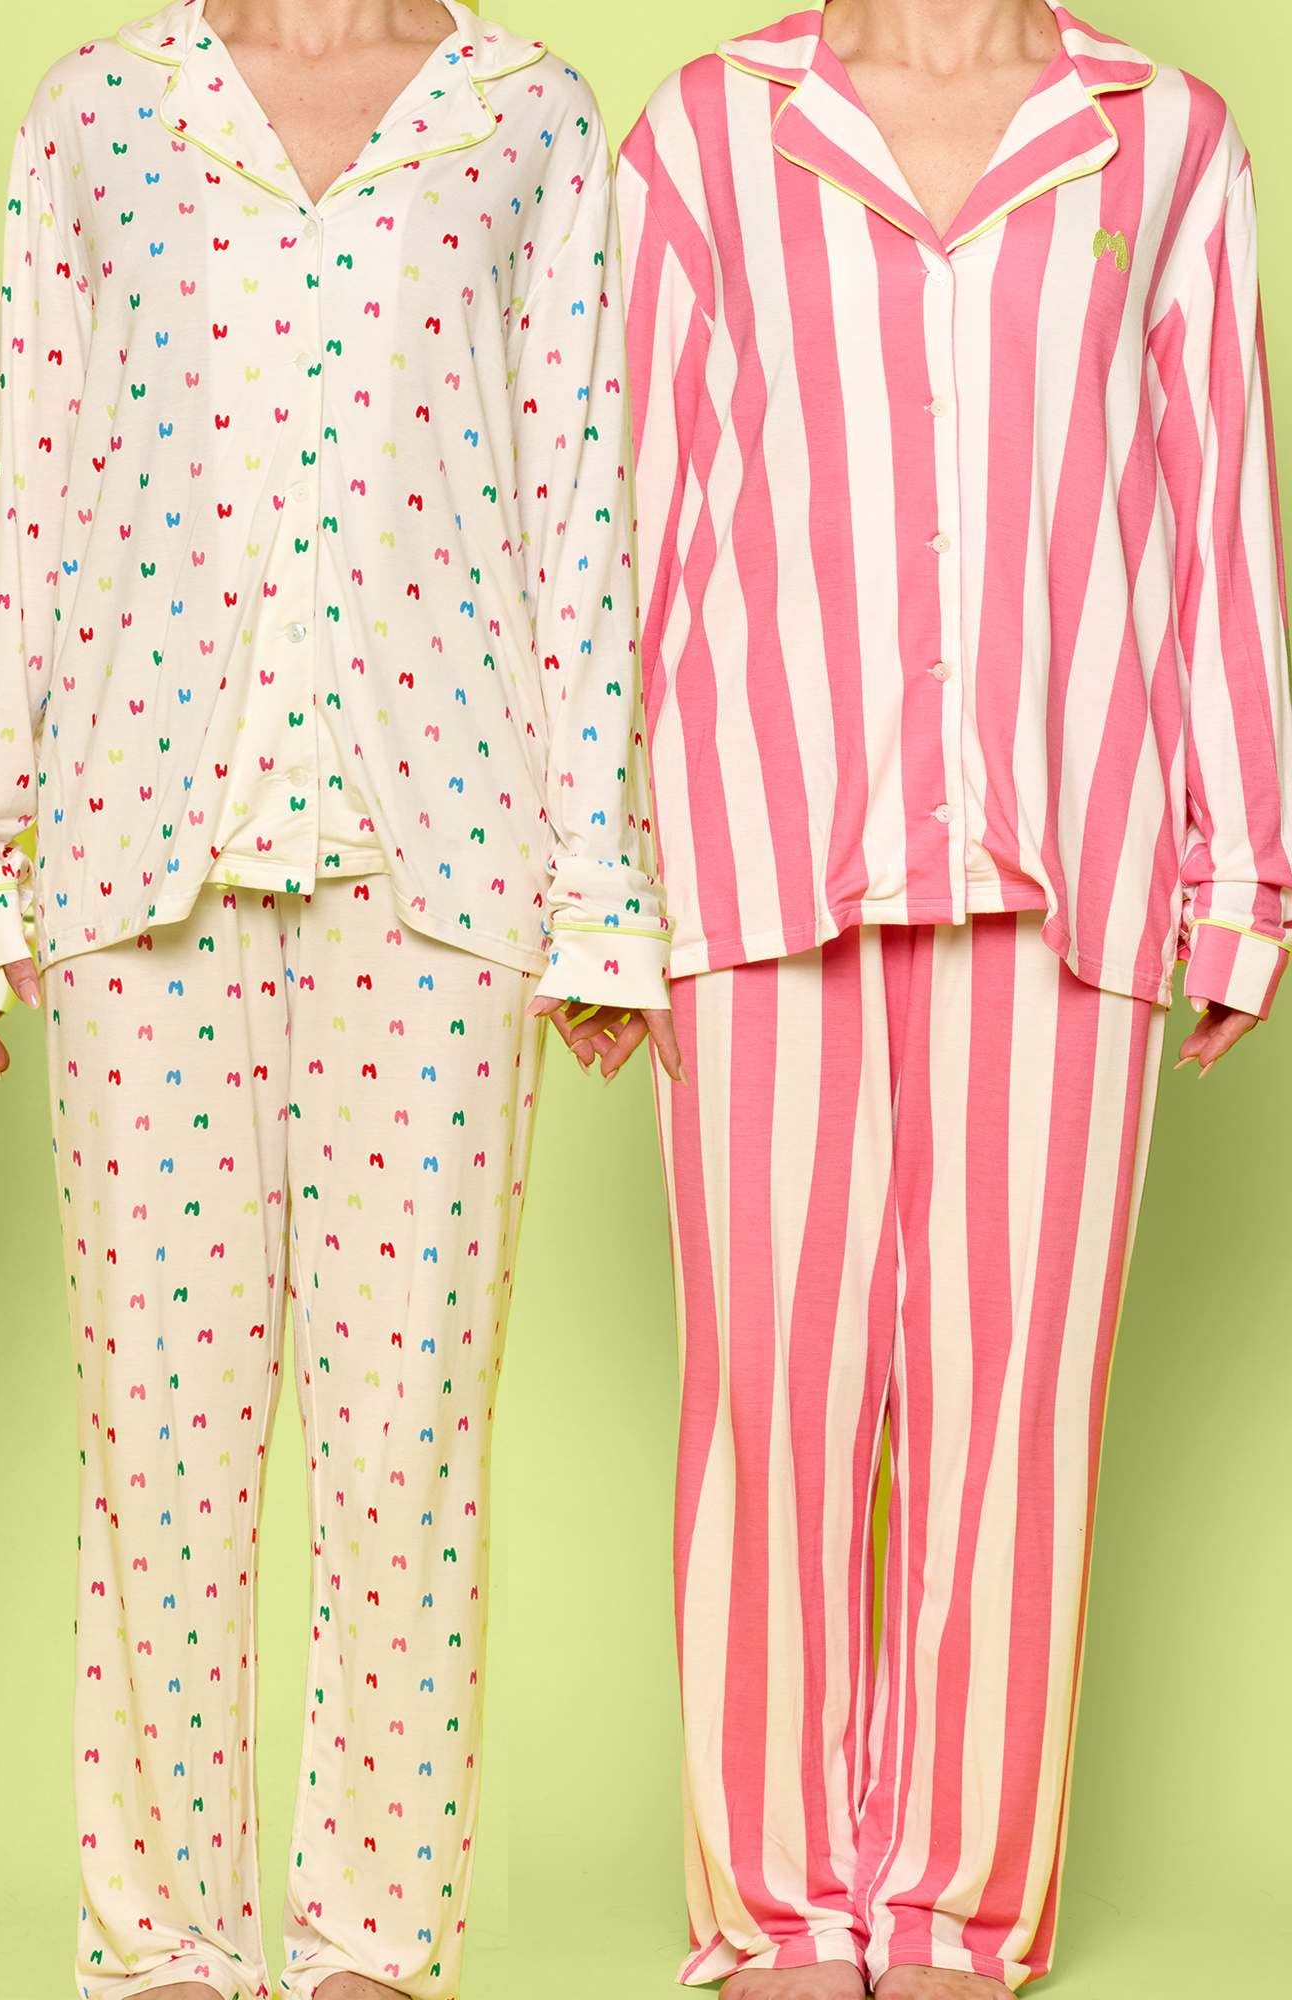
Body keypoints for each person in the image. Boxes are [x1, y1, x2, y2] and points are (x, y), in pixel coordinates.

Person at [0, 0, 679, 1991]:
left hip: (446, 863)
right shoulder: (99, 114)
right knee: (156, 1448)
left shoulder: (527, 116)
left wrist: (603, 892)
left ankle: (372, 1941)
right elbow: (29, 494)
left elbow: (580, 509)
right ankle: (165, 1943)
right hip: (131, 855)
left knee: (404, 1443)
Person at [618, 1, 1289, 1995]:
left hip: (1071, 847)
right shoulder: (703, 136)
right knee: (769, 1397)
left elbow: (1218, 520)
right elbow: (625, 510)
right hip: (755, 849)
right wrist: (591, 878)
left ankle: (953, 1915)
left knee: (1019, 1405)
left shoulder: (1165, 137)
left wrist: (1243, 873)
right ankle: (776, 1910)